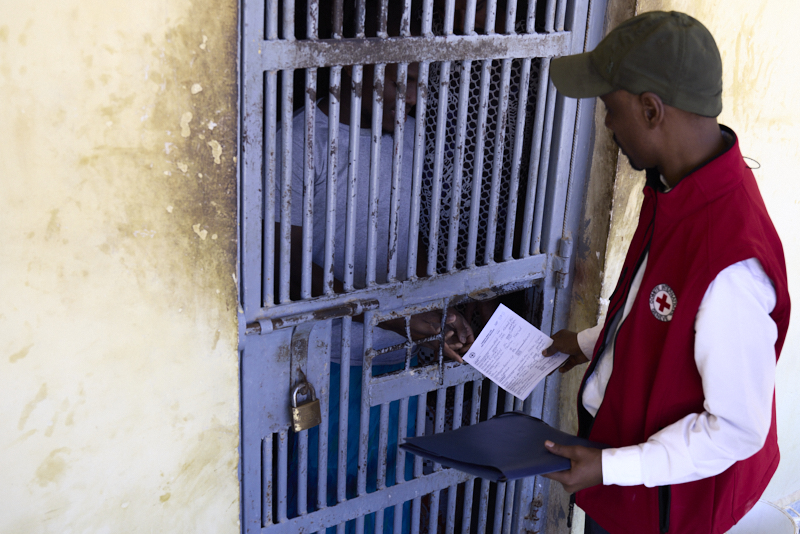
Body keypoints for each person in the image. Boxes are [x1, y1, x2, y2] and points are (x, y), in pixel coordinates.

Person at [539, 11, 790, 534]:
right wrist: (588, 343)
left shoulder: (730, 264)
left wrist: (611, 467)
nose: (606, 124)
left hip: (665, 509)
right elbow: (656, 308)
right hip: (627, 481)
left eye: (611, 109)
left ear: (651, 110)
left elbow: (737, 430)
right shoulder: (677, 186)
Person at [278, 3, 474, 532]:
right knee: (324, 506)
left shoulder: (408, 137)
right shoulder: (303, 138)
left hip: (400, 364)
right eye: (405, 80)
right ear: (362, 67)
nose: (414, 97)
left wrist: (437, 312)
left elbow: (416, 254)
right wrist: (400, 318)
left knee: (393, 501)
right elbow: (291, 271)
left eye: (419, 82)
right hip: (325, 368)